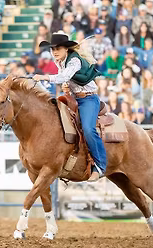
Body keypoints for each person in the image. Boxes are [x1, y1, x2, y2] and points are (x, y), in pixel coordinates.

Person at [33, 32, 107, 182]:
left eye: (57, 49)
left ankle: (100, 166)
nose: (54, 52)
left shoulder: (74, 61)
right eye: (52, 49)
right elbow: (66, 79)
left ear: (66, 49)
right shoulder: (60, 61)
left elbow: (64, 77)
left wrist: (44, 77)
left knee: (88, 128)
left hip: (88, 99)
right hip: (74, 98)